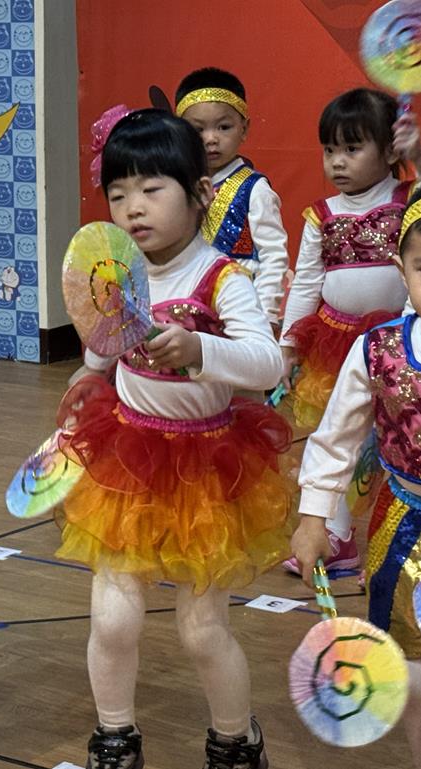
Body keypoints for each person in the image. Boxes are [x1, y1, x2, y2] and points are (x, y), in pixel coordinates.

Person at [61, 108, 289, 769]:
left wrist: (200, 349)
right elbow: (101, 349)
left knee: (201, 629)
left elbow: (266, 365)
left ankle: (234, 741)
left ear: (200, 193)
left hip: (206, 469)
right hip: (126, 461)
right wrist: (86, 378)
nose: (132, 207)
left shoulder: (222, 277)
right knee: (112, 619)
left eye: (151, 188)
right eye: (117, 192)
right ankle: (114, 736)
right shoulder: (117, 271)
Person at [290, 188, 421, 767]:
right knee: (412, 671)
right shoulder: (377, 350)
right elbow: (335, 438)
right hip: (403, 529)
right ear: (402, 269)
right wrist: (313, 518)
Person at [280, 89, 415, 575]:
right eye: (329, 150)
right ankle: (336, 537)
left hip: (399, 343)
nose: (337, 161)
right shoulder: (321, 214)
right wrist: (288, 345)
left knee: (395, 441)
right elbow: (307, 282)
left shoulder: (408, 199)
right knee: (338, 434)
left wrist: (418, 152)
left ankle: (394, 541)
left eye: (352, 148)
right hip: (336, 346)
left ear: (391, 151)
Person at [175, 67, 288, 332]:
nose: (211, 139)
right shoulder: (177, 186)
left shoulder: (254, 189)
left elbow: (273, 256)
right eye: (197, 130)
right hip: (186, 308)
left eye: (223, 127)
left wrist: (265, 315)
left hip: (241, 309)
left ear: (244, 129)